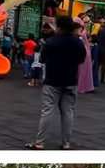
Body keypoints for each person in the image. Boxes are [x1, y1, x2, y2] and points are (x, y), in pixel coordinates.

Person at [27, 16, 86, 150]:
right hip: (71, 80)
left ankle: (40, 142)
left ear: (58, 26)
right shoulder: (78, 42)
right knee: (68, 112)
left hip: (52, 80)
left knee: (47, 110)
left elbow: (42, 59)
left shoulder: (51, 42)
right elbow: (82, 59)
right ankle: (66, 143)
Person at [75, 17, 95, 94]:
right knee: (84, 70)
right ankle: (86, 86)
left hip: (83, 52)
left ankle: (82, 86)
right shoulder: (83, 30)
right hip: (86, 51)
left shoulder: (79, 31)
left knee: (82, 71)